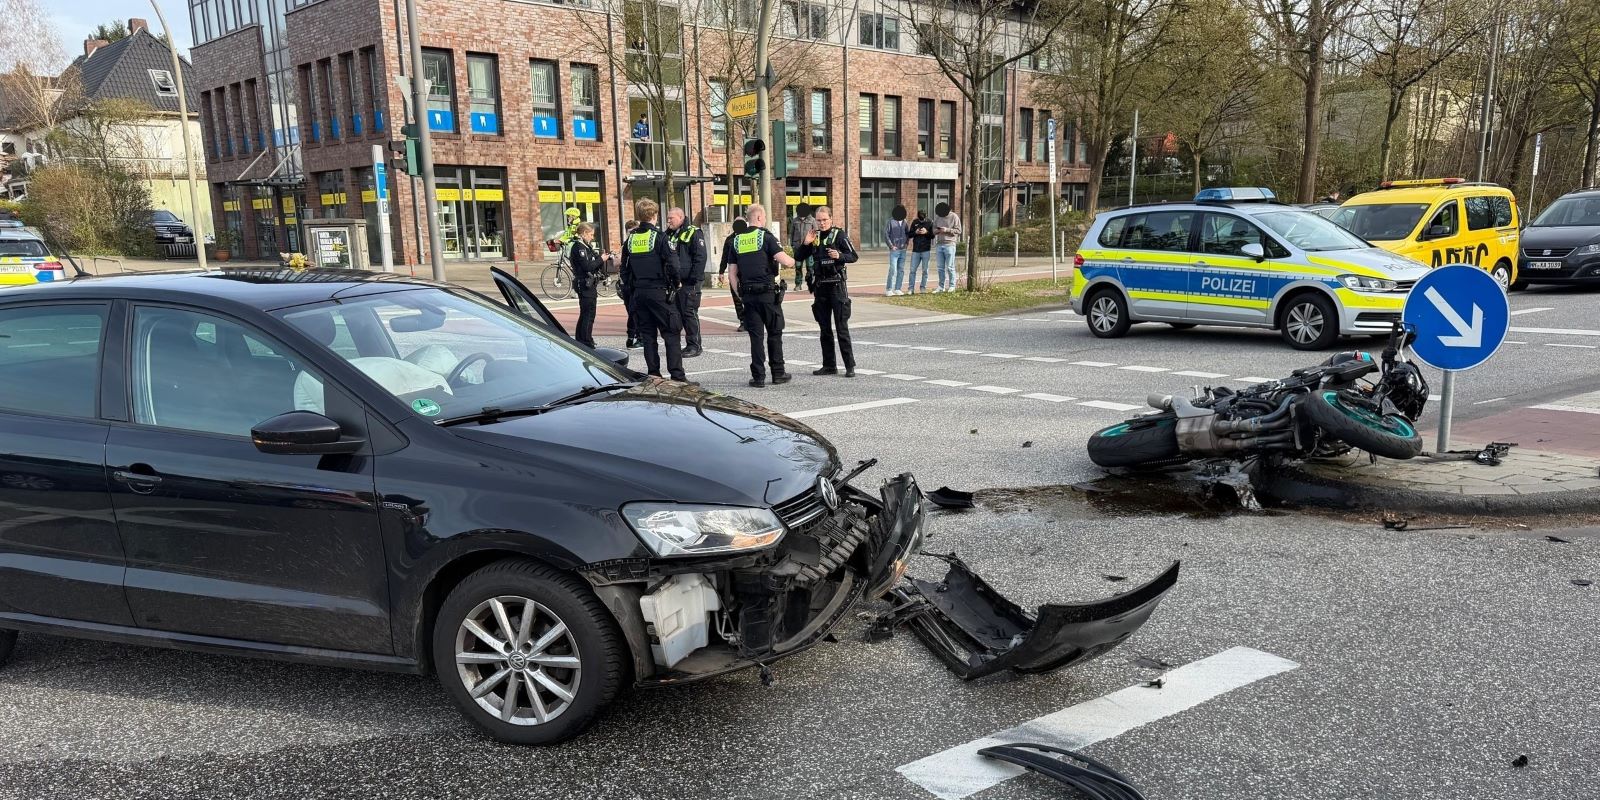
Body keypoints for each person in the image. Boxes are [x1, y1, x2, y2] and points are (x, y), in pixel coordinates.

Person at [727, 204, 798, 388]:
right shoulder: (766, 237)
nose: (764, 220)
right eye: (764, 217)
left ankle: (758, 377)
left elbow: (732, 274)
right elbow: (787, 262)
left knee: (755, 337)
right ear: (759, 218)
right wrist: (794, 258)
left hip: (748, 296)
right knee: (774, 333)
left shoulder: (737, 241)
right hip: (767, 295)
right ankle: (778, 373)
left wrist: (740, 294)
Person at [620, 199, 687, 381]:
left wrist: (631, 287)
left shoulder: (631, 239)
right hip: (659, 292)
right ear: (655, 215)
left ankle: (654, 374)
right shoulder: (660, 237)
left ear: (639, 216)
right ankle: (677, 376)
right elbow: (673, 264)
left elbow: (623, 269)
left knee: (648, 336)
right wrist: (676, 282)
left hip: (639, 293)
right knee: (671, 334)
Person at [796, 205, 858, 377]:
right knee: (824, 328)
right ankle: (829, 365)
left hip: (836, 286)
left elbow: (853, 256)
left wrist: (839, 256)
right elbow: (798, 257)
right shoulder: (813, 236)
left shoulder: (839, 234)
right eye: (819, 220)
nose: (822, 223)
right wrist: (805, 243)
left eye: (825, 220)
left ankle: (849, 366)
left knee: (841, 327)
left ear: (831, 219)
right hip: (820, 287)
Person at [666, 206, 707, 358]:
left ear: (681, 217)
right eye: (668, 218)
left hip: (690, 282)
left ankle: (695, 345)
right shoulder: (669, 234)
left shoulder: (693, 232)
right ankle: (688, 344)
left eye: (672, 218)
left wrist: (692, 279)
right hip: (676, 282)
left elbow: (700, 258)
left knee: (689, 312)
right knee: (679, 313)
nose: (668, 221)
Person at [569, 222, 605, 348]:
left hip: (587, 284)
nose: (592, 237)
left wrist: (601, 258)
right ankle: (586, 341)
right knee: (588, 313)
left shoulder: (585, 246)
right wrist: (601, 260)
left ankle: (582, 339)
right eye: (591, 234)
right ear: (584, 233)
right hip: (584, 283)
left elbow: (594, 261)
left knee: (586, 312)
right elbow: (587, 266)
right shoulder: (579, 247)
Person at [719, 218, 749, 332]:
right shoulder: (730, 239)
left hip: (747, 272)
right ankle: (742, 321)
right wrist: (721, 272)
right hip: (734, 274)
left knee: (749, 297)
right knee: (737, 298)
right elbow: (724, 256)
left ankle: (751, 319)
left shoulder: (750, 237)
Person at [618, 218, 642, 348]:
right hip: (628, 283)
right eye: (631, 231)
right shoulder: (627, 244)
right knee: (633, 311)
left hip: (630, 282)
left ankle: (633, 336)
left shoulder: (630, 243)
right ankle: (634, 336)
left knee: (634, 311)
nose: (633, 233)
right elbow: (622, 264)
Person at [932, 201, 962, 292]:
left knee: (950, 266)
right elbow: (933, 230)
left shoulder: (954, 216)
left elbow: (958, 230)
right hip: (939, 244)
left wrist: (947, 230)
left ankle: (952, 286)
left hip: (950, 244)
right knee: (940, 267)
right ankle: (941, 287)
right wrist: (937, 231)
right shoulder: (938, 217)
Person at [788, 202, 816, 286]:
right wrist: (792, 245)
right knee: (798, 267)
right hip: (798, 248)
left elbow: (816, 233)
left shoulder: (812, 220)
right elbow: (791, 233)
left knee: (810, 267)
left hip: (809, 248)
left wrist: (814, 245)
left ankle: (810, 283)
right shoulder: (795, 220)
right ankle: (798, 284)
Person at [884, 205, 909, 296]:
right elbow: (886, 234)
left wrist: (906, 244)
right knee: (893, 269)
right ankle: (889, 289)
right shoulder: (891, 221)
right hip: (894, 250)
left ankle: (898, 288)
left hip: (903, 250)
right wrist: (891, 246)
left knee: (901, 270)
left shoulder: (905, 222)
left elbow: (908, 233)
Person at [907, 209, 934, 294]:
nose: (921, 220)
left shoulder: (930, 222)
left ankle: (923, 288)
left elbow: (932, 236)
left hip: (926, 249)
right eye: (920, 218)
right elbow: (909, 235)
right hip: (916, 250)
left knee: (925, 270)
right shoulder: (915, 222)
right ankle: (911, 289)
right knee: (912, 270)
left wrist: (926, 232)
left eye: (922, 218)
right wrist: (915, 232)